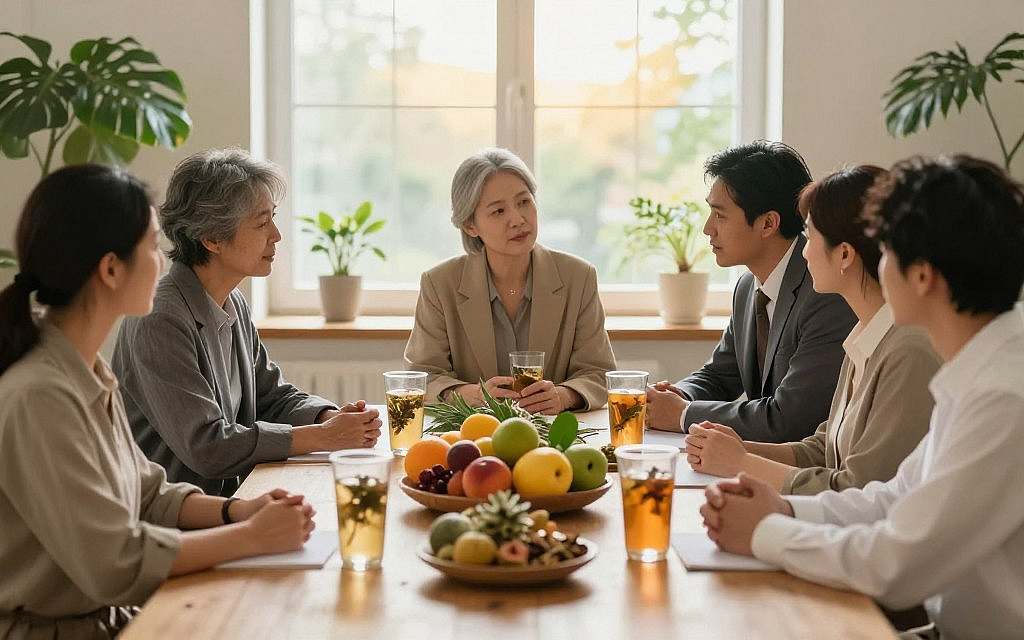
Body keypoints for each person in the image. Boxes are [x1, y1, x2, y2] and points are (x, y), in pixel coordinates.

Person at [700, 155, 1024, 640]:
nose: (878, 263)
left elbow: (897, 565)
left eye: (887, 251)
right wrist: (783, 510)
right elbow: (893, 498)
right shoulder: (979, 371)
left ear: (921, 276)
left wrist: (764, 532)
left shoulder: (1003, 394)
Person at [0, 165, 316, 639]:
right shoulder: (40, 395)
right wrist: (249, 538)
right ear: (110, 270)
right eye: (151, 245)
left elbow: (148, 492)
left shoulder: (86, 371)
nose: (165, 260)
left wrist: (238, 512)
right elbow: (115, 562)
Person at [113, 149, 381, 496]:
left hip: (230, 503)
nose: (276, 235)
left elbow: (272, 396)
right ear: (212, 238)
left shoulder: (232, 300)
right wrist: (322, 437)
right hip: (176, 524)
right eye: (261, 222)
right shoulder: (158, 318)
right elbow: (207, 447)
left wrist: (327, 418)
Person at [684, 166, 941, 494]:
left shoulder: (907, 351)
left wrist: (741, 462)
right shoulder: (864, 335)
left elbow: (859, 489)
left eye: (811, 236)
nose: (803, 250)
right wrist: (734, 448)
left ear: (844, 254)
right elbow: (824, 450)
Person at [647, 140, 857, 443]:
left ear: (768, 223)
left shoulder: (825, 292)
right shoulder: (747, 287)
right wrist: (678, 394)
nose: (708, 228)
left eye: (720, 215)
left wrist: (681, 414)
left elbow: (790, 420)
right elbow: (721, 375)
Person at [404, 147, 617, 413]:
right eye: (498, 211)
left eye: (524, 202)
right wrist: (470, 394)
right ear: (470, 225)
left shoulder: (578, 276)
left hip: (554, 437)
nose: (517, 219)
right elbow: (421, 377)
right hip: (471, 434)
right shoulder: (439, 284)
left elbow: (599, 373)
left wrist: (563, 396)